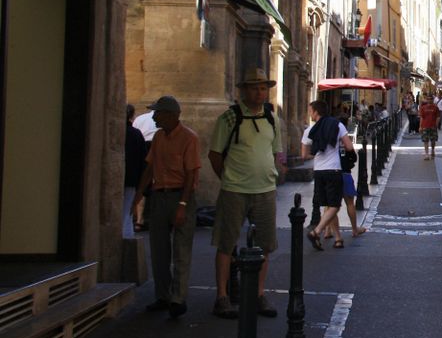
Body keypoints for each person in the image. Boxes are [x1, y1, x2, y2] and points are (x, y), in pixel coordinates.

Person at [208, 68, 286, 319]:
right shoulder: (230, 118)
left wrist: (276, 171)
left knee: (265, 245)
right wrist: (229, 178)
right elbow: (215, 155)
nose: (259, 92)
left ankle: (259, 293)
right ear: (244, 90)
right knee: (225, 243)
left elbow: (276, 152)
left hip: (265, 190)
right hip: (234, 191)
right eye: (254, 87)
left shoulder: (272, 119)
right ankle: (222, 296)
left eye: (263, 87)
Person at [132, 96, 200, 318]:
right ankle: (163, 296)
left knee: (181, 250)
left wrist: (182, 204)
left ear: (171, 115)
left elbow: (191, 173)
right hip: (160, 196)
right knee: (159, 250)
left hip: (181, 195)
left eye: (158, 113)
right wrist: (139, 194)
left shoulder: (189, 138)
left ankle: (178, 298)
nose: (154, 116)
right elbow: (150, 168)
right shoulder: (159, 137)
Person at [303, 100, 364, 250]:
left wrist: (316, 155)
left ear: (316, 112)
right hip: (334, 170)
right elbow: (349, 146)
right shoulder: (337, 125)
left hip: (319, 172)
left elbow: (304, 155)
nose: (310, 114)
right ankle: (317, 231)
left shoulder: (309, 130)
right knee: (335, 205)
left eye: (311, 111)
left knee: (329, 206)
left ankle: (337, 238)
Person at [124, 105, 147, 236]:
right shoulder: (135, 134)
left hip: (128, 178)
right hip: (131, 179)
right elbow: (143, 159)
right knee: (127, 213)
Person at [419, 94, 440, 160]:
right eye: (428, 99)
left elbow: (438, 117)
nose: (429, 100)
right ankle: (426, 154)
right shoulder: (423, 108)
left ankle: (433, 150)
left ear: (432, 100)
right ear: (426, 100)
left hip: (433, 126)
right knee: (425, 140)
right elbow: (421, 117)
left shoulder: (435, 108)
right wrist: (420, 126)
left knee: (433, 140)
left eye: (430, 99)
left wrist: (436, 125)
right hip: (425, 126)